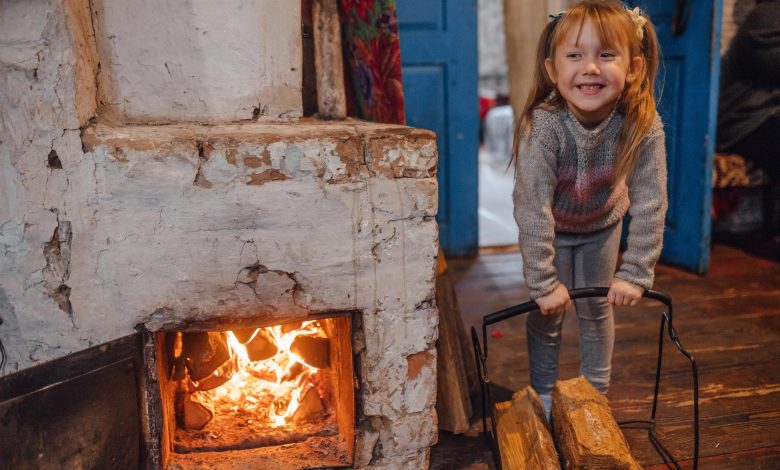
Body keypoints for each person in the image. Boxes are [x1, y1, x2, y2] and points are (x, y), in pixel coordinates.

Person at [511, 0, 668, 418]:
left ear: (633, 67)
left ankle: (595, 394)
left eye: (606, 55)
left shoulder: (642, 122)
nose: (591, 68)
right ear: (552, 70)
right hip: (554, 228)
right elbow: (532, 208)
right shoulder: (543, 126)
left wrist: (635, 272)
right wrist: (543, 283)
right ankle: (543, 393)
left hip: (602, 225)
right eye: (575, 56)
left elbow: (652, 200)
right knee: (548, 313)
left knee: (596, 309)